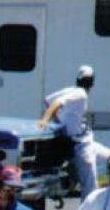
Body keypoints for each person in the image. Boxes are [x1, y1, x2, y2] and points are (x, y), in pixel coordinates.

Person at [38, 65, 98, 199]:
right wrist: (46, 119)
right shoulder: (80, 94)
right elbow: (56, 103)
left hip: (76, 138)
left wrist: (59, 120)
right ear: (92, 83)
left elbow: (48, 101)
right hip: (78, 142)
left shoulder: (71, 90)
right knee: (90, 184)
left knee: (107, 155)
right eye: (87, 80)